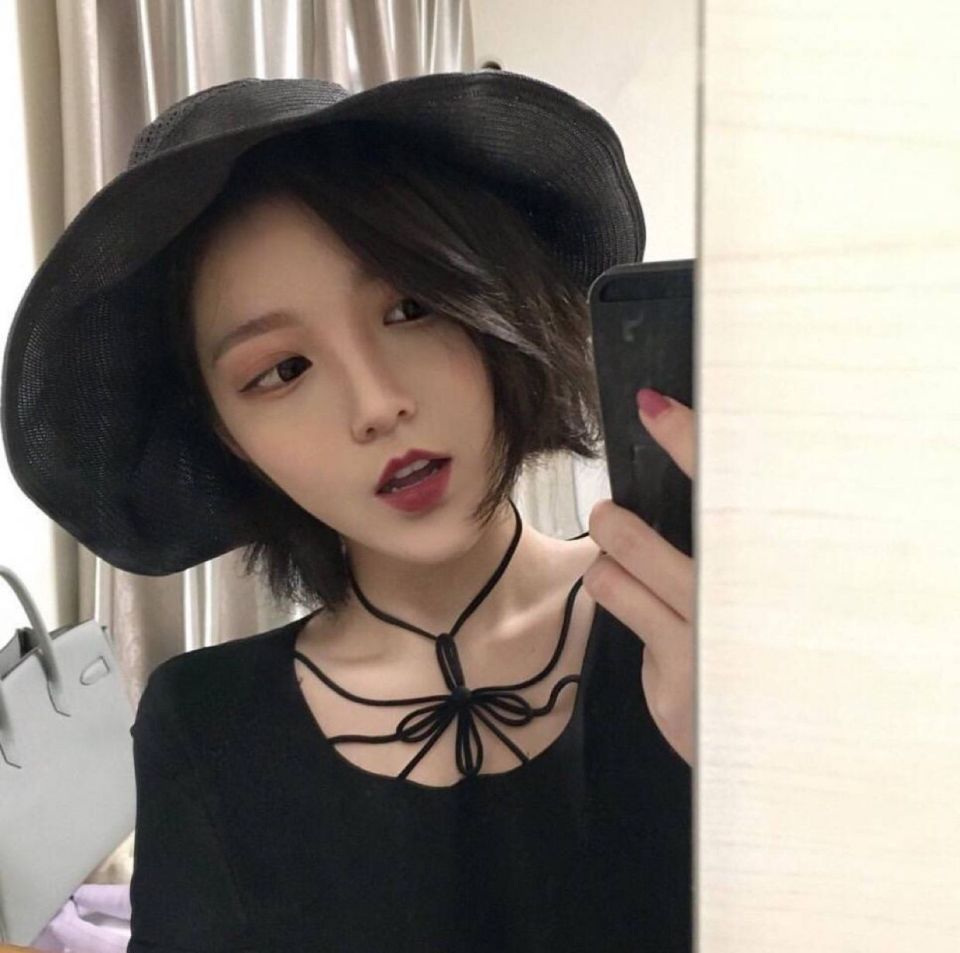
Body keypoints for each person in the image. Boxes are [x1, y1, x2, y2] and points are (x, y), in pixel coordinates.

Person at [1, 71, 694, 952]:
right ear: (229, 436)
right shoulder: (208, 727)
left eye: (413, 305)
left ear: (493, 303)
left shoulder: (684, 627)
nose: (376, 403)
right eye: (282, 370)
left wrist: (757, 768)